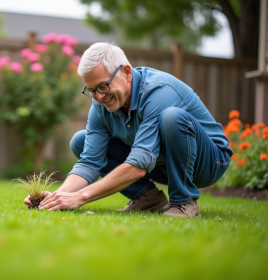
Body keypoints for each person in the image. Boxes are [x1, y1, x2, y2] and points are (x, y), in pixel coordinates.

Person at [24, 42, 232, 218]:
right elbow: (90, 162)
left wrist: (80, 197)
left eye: (103, 86)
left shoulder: (157, 92)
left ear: (126, 72)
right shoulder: (101, 105)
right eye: (91, 90)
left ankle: (183, 201)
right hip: (164, 164)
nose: (99, 97)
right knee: (80, 141)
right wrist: (56, 197)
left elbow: (140, 164)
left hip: (208, 162)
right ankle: (147, 198)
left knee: (172, 117)